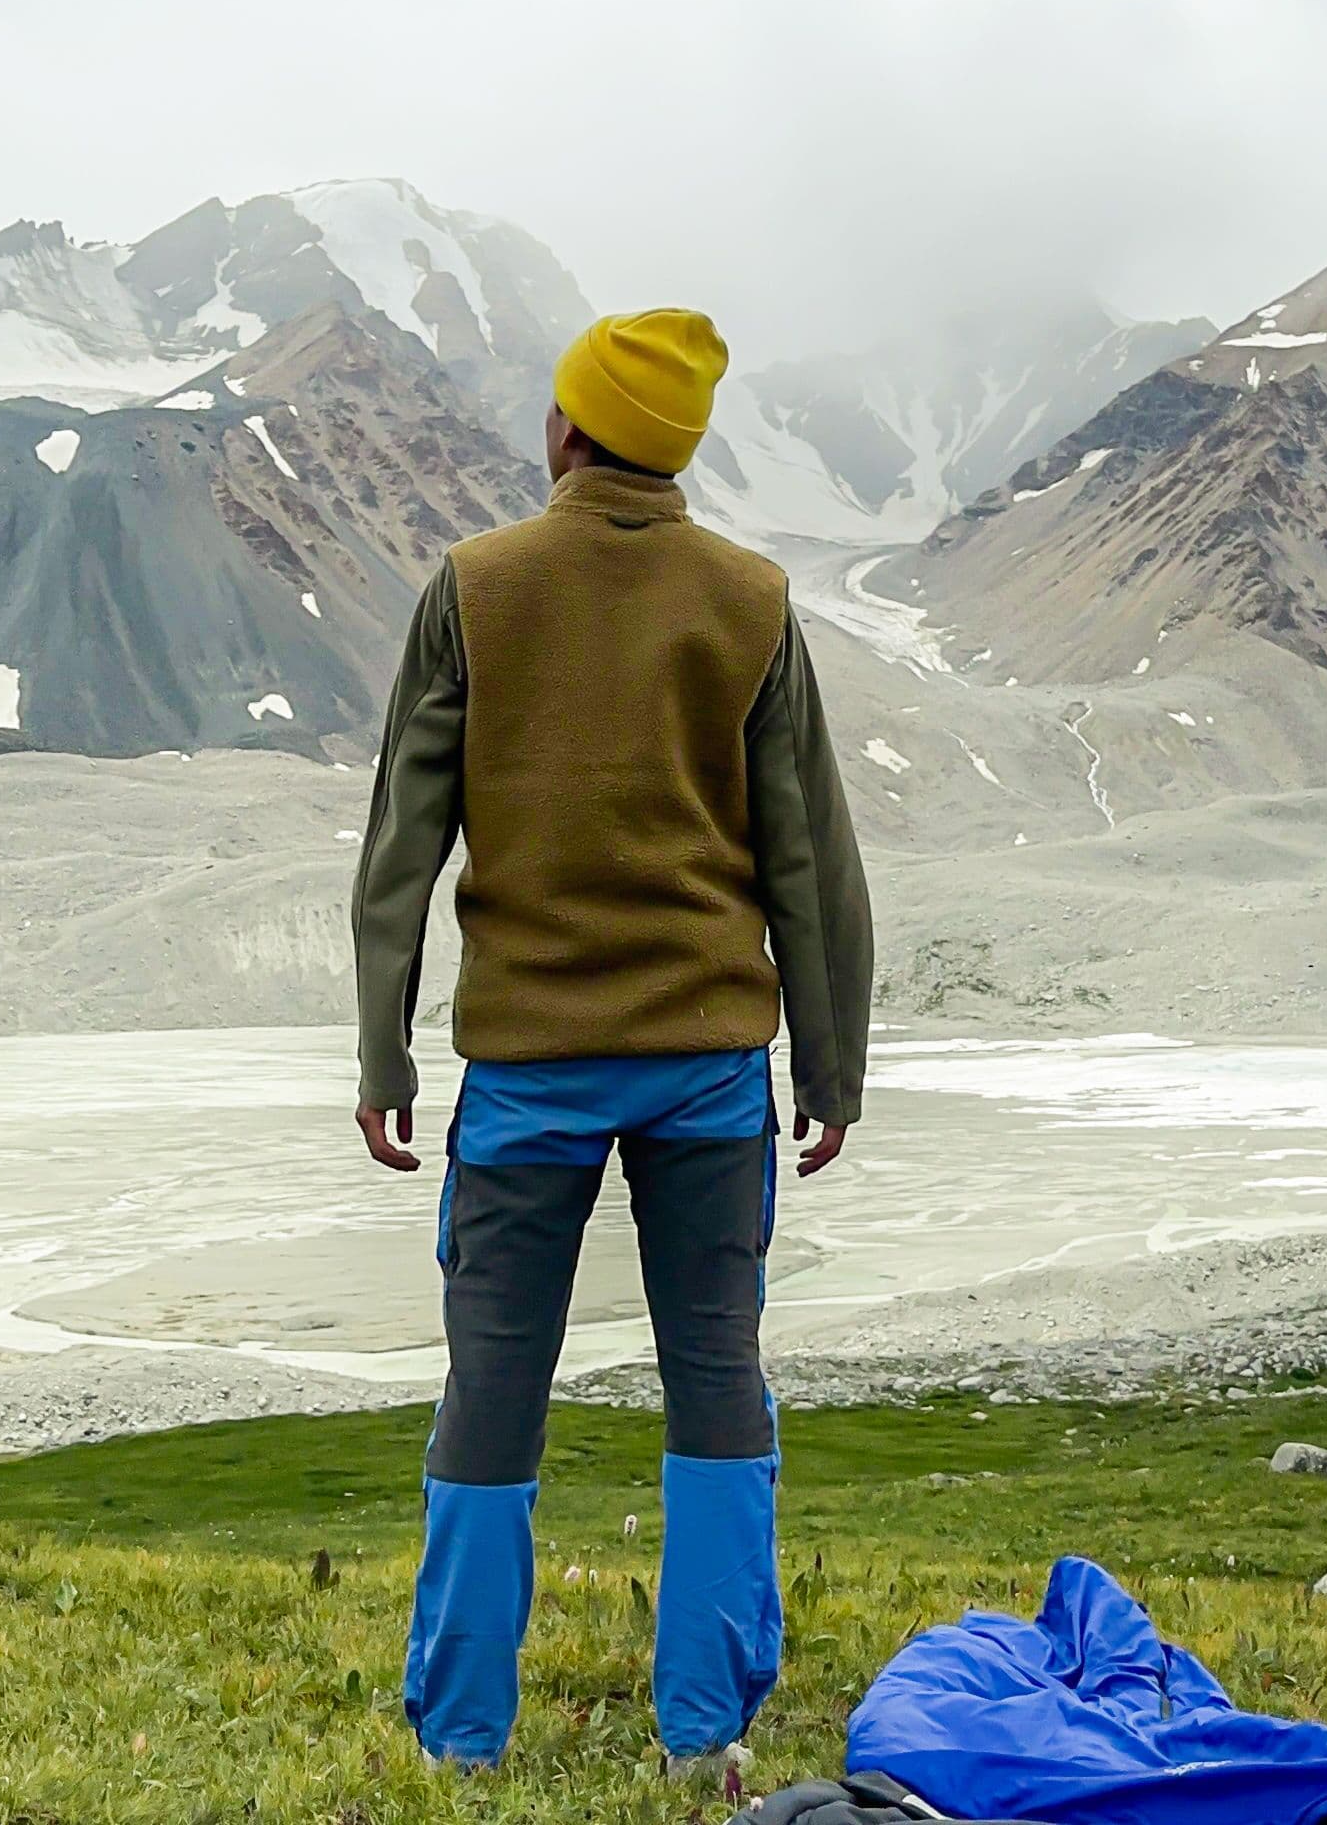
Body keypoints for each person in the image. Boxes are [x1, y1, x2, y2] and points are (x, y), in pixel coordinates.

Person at [350, 306, 874, 1776]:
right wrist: (830, 1070)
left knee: (491, 1389)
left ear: (568, 429)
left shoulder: (479, 586)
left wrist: (385, 1055)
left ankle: (461, 1738)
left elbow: (405, 841)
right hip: (710, 1064)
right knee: (717, 1375)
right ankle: (705, 1730)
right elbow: (809, 863)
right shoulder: (751, 600)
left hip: (524, 1075)